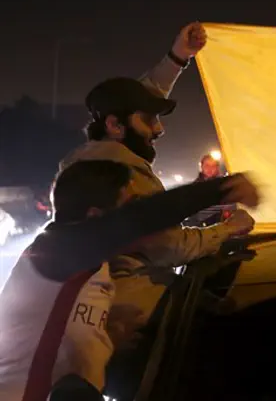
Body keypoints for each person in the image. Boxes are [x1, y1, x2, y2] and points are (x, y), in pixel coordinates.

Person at [0, 160, 261, 401]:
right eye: (128, 205)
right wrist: (224, 188)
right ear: (95, 217)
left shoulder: (90, 265)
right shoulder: (58, 249)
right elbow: (142, 218)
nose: (134, 213)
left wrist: (105, 343)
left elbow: (52, 345)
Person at [184, 154, 237, 227]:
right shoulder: (194, 187)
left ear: (217, 168)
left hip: (222, 225)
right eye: (207, 166)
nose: (210, 169)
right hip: (200, 227)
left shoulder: (224, 185)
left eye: (213, 166)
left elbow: (231, 205)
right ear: (202, 167)